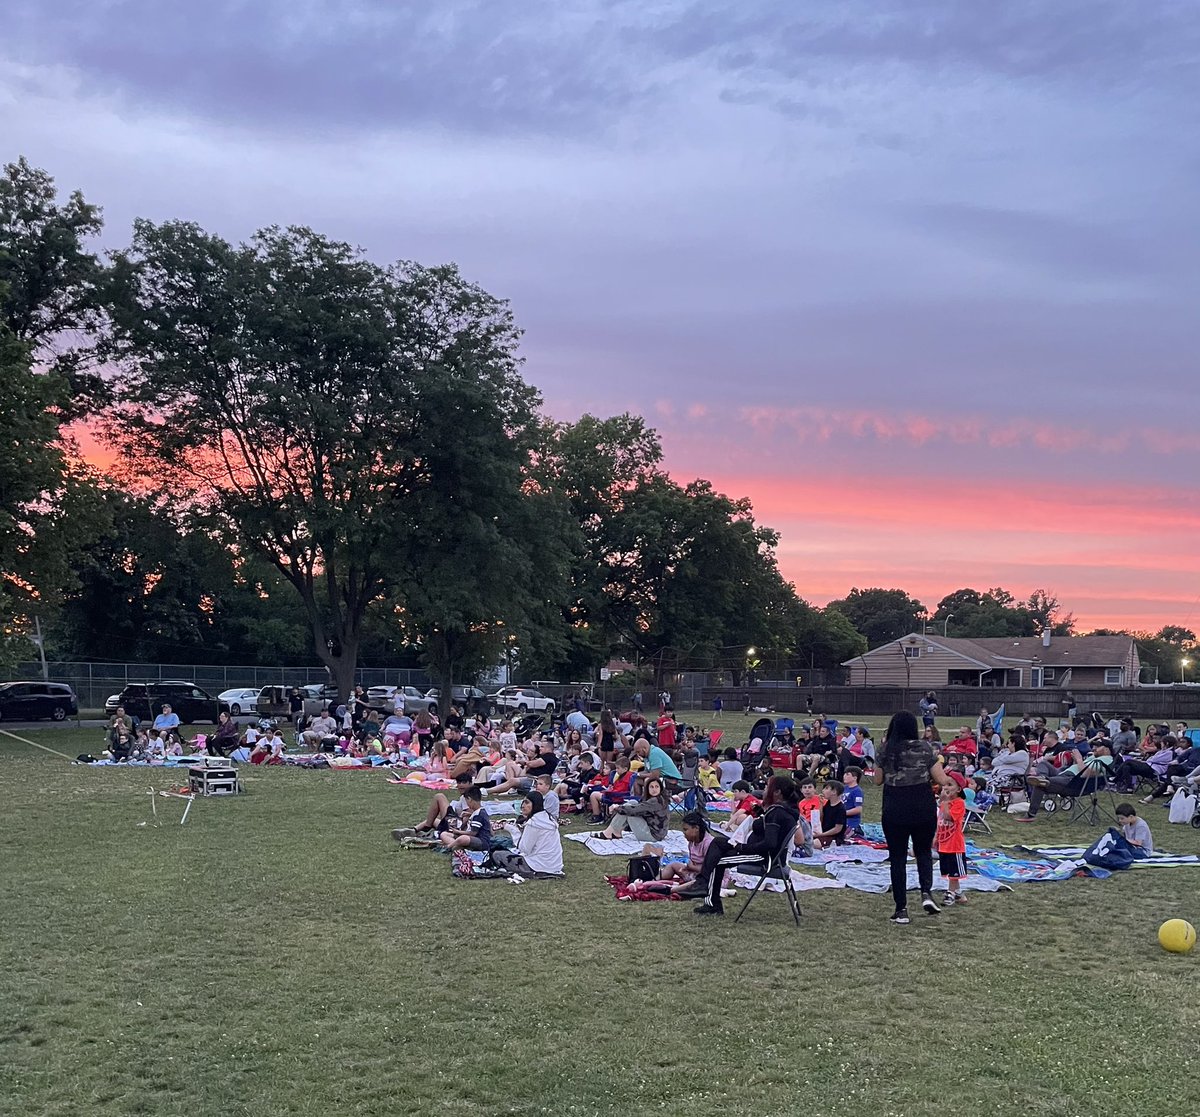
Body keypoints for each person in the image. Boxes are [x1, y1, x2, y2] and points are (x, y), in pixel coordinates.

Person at [873, 711, 956, 924]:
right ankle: (926, 893)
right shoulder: (926, 748)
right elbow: (940, 778)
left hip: (895, 806)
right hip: (922, 805)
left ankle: (901, 909)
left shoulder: (885, 750)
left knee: (898, 858)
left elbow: (877, 780)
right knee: (923, 852)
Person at [686, 776, 802, 916]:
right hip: (761, 852)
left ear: (777, 792)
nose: (764, 790)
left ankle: (711, 901)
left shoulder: (778, 813)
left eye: (767, 787)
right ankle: (703, 883)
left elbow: (770, 843)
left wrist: (741, 848)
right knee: (718, 842)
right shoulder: (783, 810)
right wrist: (760, 813)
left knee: (717, 861)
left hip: (764, 858)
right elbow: (767, 829)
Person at [1018, 741, 1115, 821]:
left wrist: (1079, 759)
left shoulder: (1106, 760)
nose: (1094, 748)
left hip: (1072, 782)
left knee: (1040, 785)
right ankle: (1043, 778)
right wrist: (1076, 760)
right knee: (1043, 763)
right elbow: (1081, 767)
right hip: (1063, 773)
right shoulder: (1094, 757)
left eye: (1097, 746)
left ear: (1106, 749)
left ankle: (1031, 814)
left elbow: (1086, 774)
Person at [491, 791, 563, 876]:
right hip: (555, 865)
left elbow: (524, 849)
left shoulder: (534, 823)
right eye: (523, 802)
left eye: (527, 802)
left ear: (535, 804)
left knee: (497, 855)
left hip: (538, 866)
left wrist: (510, 828)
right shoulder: (547, 818)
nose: (523, 806)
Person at [591, 776, 670, 844]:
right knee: (632, 802)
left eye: (657, 787)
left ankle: (609, 832)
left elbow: (634, 810)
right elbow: (639, 807)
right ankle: (615, 832)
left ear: (660, 788)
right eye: (651, 787)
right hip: (656, 831)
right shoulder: (656, 799)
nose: (654, 789)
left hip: (653, 836)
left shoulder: (656, 801)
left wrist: (616, 807)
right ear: (647, 789)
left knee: (629, 808)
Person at [936, 780, 968, 907]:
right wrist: (935, 838)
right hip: (944, 843)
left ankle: (951, 893)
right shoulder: (944, 803)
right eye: (945, 784)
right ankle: (959, 893)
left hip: (955, 845)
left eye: (949, 785)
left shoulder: (959, 803)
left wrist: (944, 802)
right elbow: (939, 821)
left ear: (958, 789)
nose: (945, 788)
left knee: (955, 872)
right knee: (949, 871)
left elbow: (949, 817)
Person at [439, 787, 491, 851]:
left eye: (467, 802)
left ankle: (449, 846)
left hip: (481, 841)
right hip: (471, 838)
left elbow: (473, 833)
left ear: (469, 799)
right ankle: (459, 846)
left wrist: (458, 832)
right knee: (444, 834)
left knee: (463, 838)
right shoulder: (478, 812)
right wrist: (469, 815)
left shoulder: (478, 815)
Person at [813, 780, 847, 848]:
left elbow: (837, 829)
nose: (823, 791)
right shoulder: (828, 804)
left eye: (826, 788)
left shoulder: (840, 808)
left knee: (814, 843)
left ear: (834, 792)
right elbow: (821, 818)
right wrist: (821, 804)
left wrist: (821, 835)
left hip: (834, 837)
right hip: (823, 833)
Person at [842, 767, 865, 836]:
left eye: (847, 774)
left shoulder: (857, 791)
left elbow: (858, 809)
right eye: (844, 774)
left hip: (851, 822)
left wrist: (842, 813)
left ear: (855, 778)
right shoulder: (844, 788)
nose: (844, 776)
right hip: (841, 820)